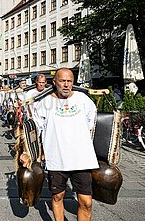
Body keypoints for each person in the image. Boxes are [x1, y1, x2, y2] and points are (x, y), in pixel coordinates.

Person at [29, 68, 98, 221]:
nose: (66, 85)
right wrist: (28, 152)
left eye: (69, 81)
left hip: (82, 158)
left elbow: (91, 123)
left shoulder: (83, 99)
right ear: (55, 82)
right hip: (57, 158)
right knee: (58, 196)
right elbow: (36, 129)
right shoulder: (44, 102)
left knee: (86, 202)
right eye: (62, 81)